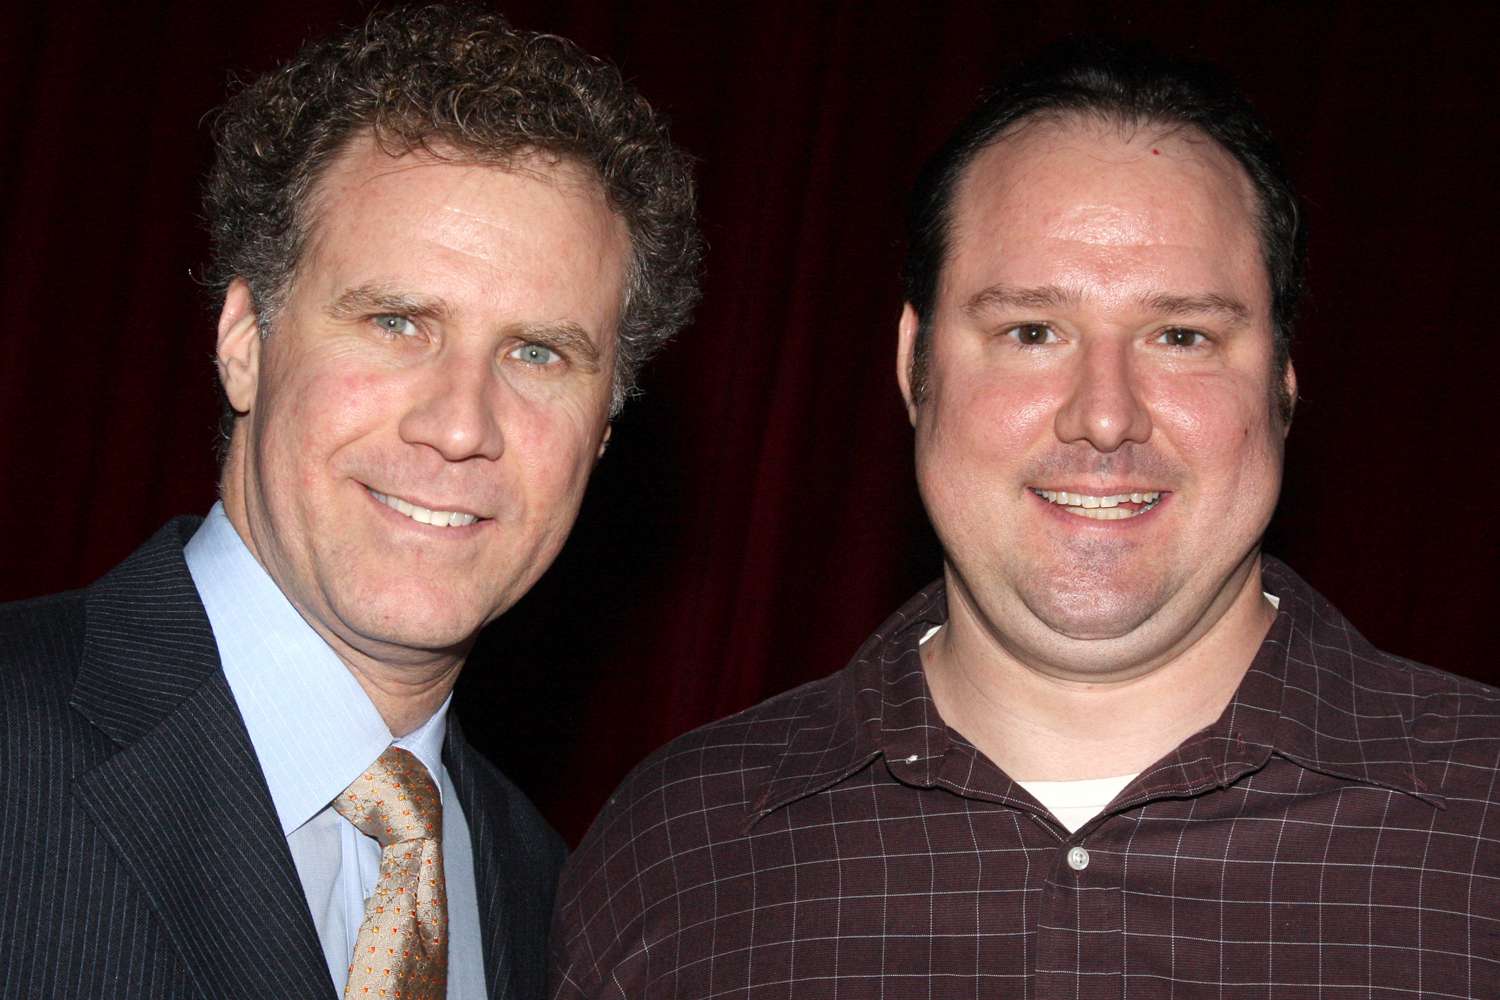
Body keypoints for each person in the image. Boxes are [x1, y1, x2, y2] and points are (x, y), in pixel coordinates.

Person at [551, 40, 1499, 997]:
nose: (1105, 414)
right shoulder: (679, 849)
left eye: (1182, 336)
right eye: (1032, 331)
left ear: (1284, 382)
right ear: (915, 365)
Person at [0, 5, 699, 999]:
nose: (461, 424)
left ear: (603, 430)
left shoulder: (565, 912)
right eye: (397, 321)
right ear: (244, 339)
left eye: (537, 352)